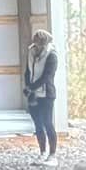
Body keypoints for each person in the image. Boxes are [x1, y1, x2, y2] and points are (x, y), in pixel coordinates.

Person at [23, 28, 59, 159]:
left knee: (47, 123)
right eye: (35, 42)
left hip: (46, 94)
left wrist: (32, 87)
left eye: (39, 43)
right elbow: (27, 71)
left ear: (44, 43)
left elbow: (47, 76)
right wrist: (28, 86)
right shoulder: (31, 52)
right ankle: (42, 152)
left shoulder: (52, 55)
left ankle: (52, 154)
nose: (37, 46)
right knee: (38, 124)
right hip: (33, 94)